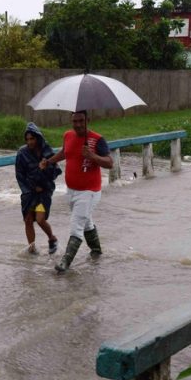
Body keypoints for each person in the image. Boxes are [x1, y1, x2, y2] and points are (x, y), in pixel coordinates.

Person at [40, 110, 113, 272]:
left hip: (89, 191)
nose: (78, 125)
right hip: (71, 190)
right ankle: (96, 251)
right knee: (86, 222)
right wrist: (49, 161)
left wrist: (92, 156)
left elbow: (109, 162)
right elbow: (65, 153)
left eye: (81, 121)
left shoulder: (97, 139)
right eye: (75, 121)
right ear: (71, 121)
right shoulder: (68, 135)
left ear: (88, 120)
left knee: (76, 225)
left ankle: (65, 262)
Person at [15, 122, 61, 255]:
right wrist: (30, 189)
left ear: (38, 138)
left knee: (40, 219)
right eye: (27, 139)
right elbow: (20, 176)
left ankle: (52, 238)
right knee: (28, 219)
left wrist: (45, 168)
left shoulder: (47, 152)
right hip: (29, 193)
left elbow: (54, 173)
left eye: (32, 139)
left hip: (43, 193)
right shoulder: (22, 153)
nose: (30, 142)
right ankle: (32, 248)